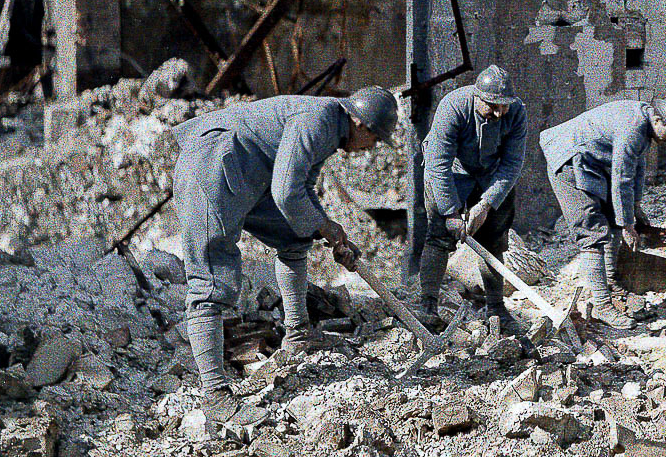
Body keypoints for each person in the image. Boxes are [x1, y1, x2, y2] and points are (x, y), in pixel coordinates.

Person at [172, 86, 397, 422]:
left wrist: (328, 230)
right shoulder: (319, 120)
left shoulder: (329, 128)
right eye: (375, 139)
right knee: (211, 280)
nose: (372, 148)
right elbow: (286, 191)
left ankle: (298, 333)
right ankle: (215, 396)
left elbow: (300, 188)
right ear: (361, 124)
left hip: (248, 174)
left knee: (293, 234)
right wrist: (324, 226)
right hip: (211, 166)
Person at [540, 96, 666, 328]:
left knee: (613, 218)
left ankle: (610, 281)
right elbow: (621, 177)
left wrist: (634, 209)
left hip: (592, 161)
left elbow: (636, 168)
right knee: (592, 234)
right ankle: (602, 306)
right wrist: (628, 225)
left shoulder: (645, 124)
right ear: (659, 119)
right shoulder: (633, 127)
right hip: (568, 160)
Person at [417, 65, 527, 332]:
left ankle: (496, 308)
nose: (500, 113)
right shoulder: (453, 107)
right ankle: (427, 306)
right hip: (451, 171)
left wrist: (486, 204)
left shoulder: (517, 112)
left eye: (505, 106)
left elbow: (512, 164)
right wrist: (451, 213)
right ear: (477, 98)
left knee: (493, 241)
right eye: (492, 106)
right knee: (439, 236)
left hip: (491, 175)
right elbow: (438, 165)